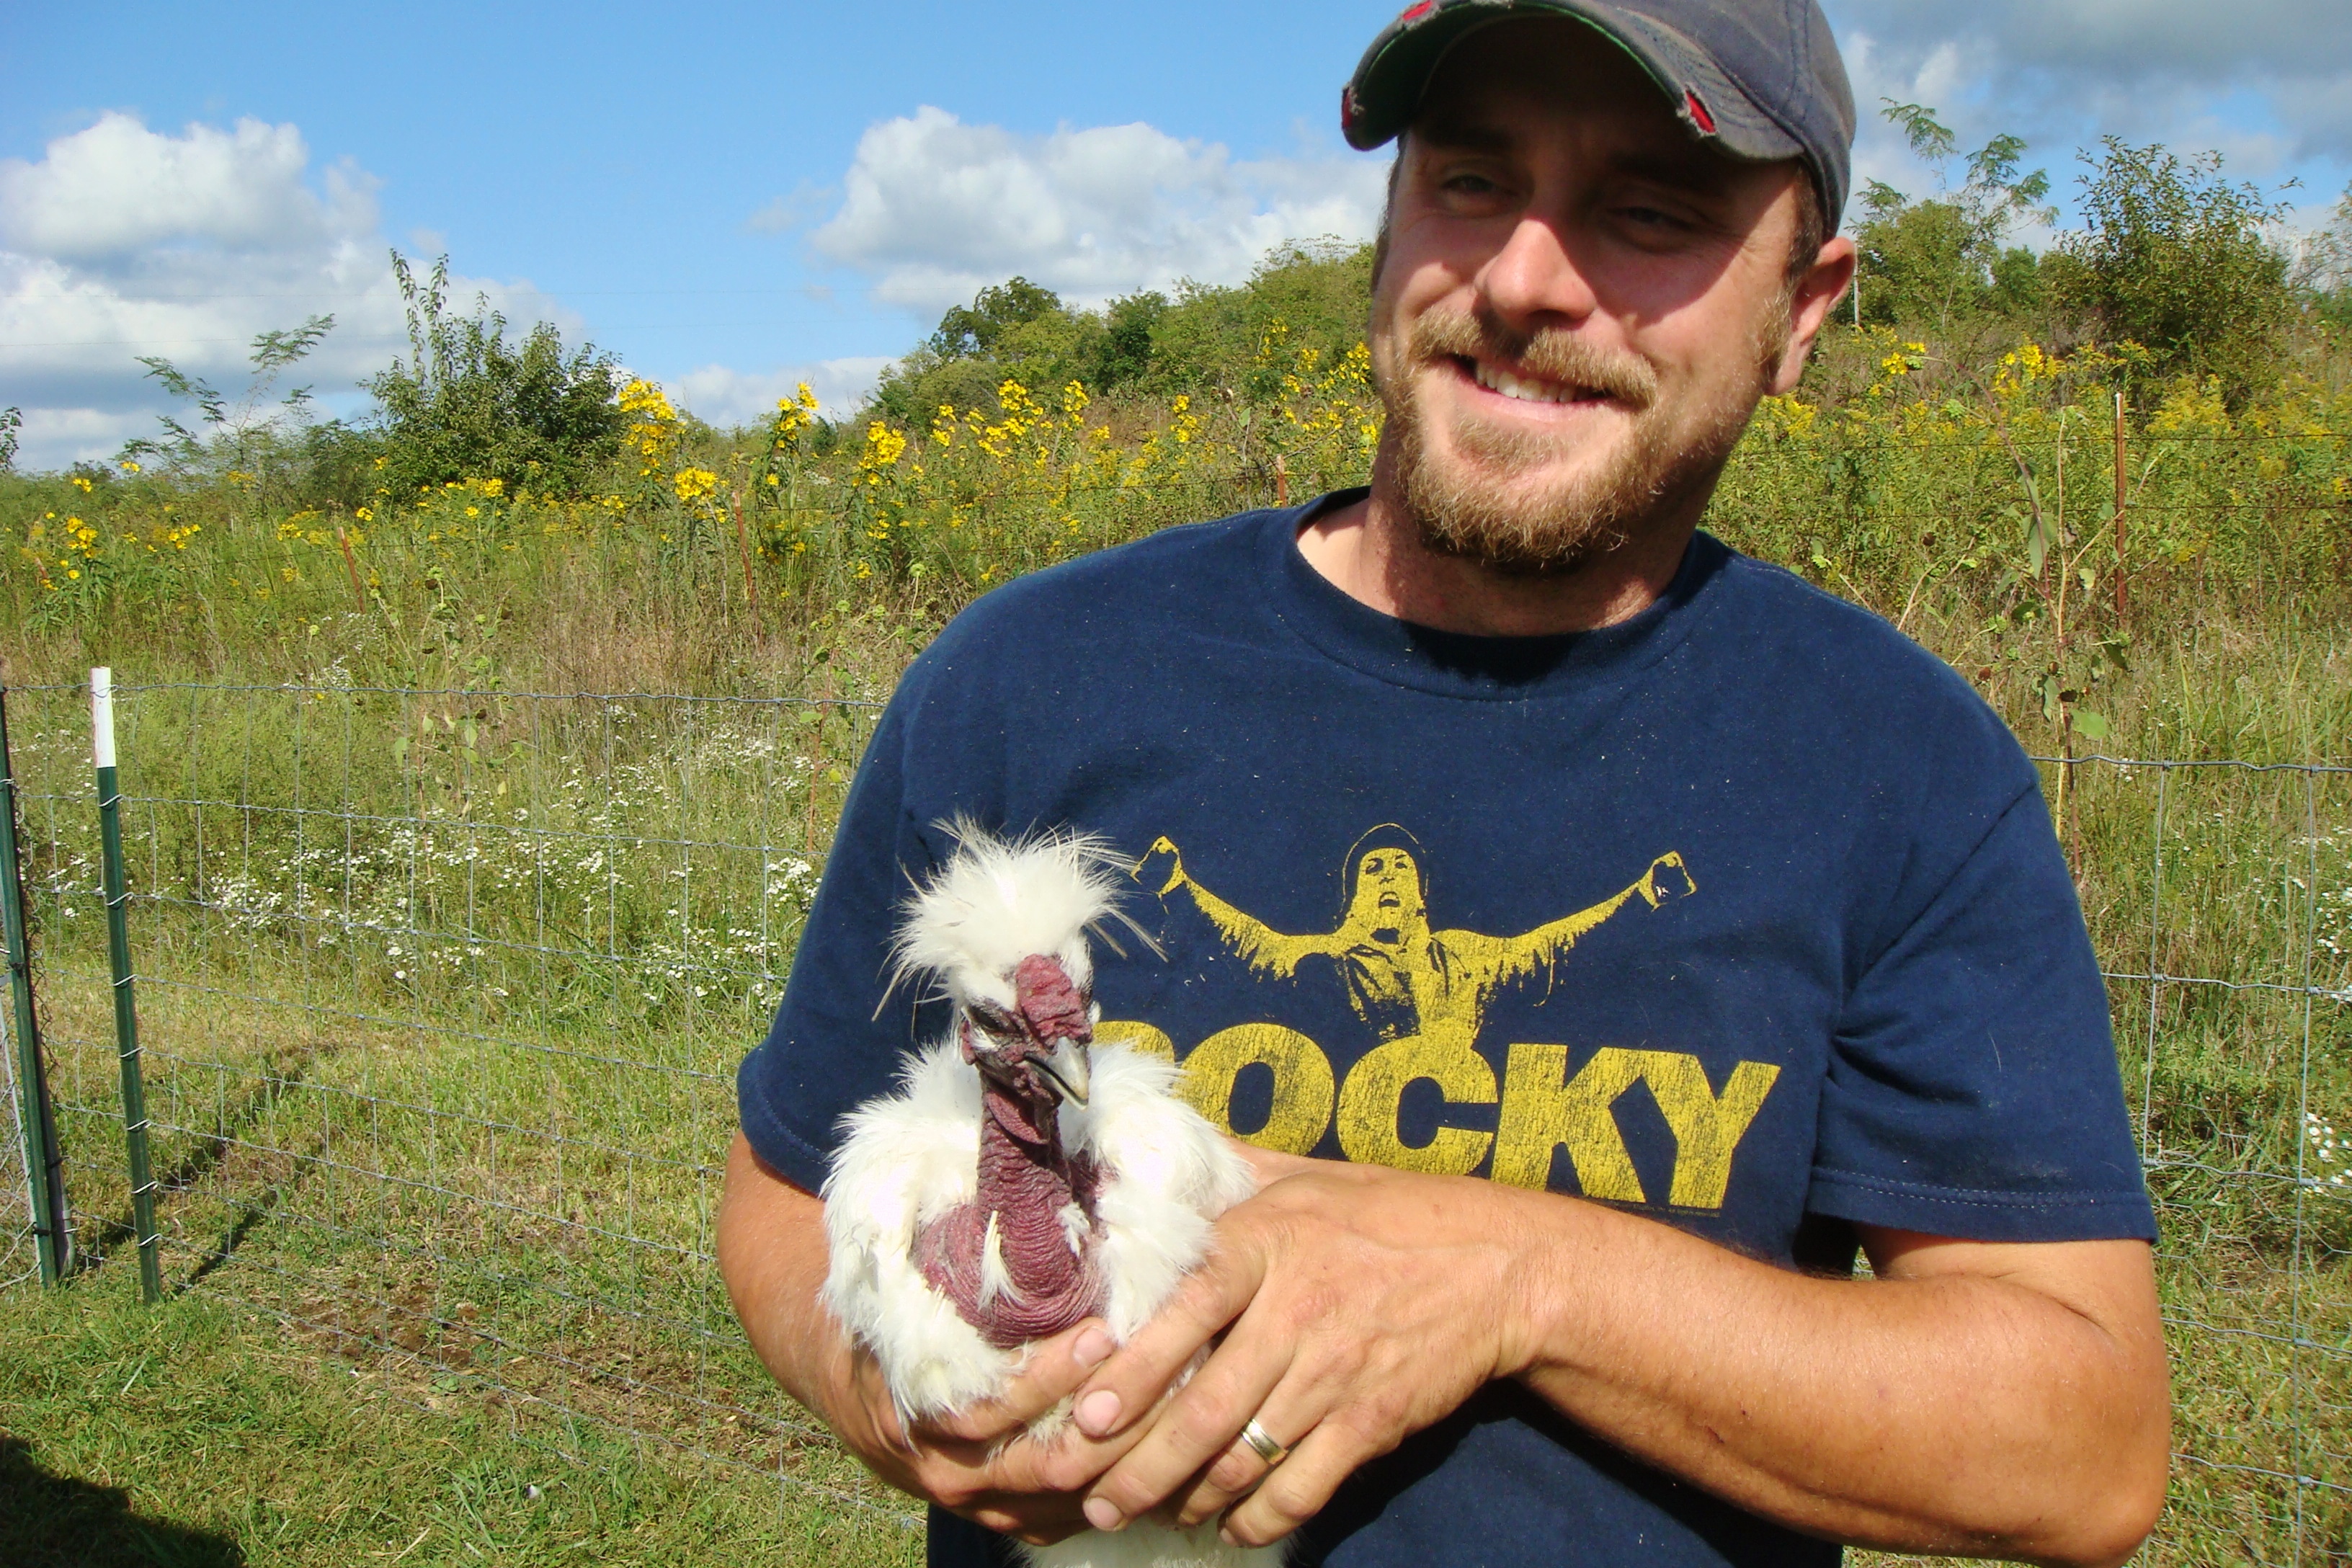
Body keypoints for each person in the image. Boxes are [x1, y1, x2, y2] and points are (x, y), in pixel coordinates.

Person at [718, 1, 2172, 1564]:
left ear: (1805, 308)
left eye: (1650, 214)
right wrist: (905, 1399)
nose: (1527, 280)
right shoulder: (1034, 678)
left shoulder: (1896, 765)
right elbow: (784, 1194)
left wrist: (1512, 1278)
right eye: (1471, 183)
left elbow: (2083, 1444)